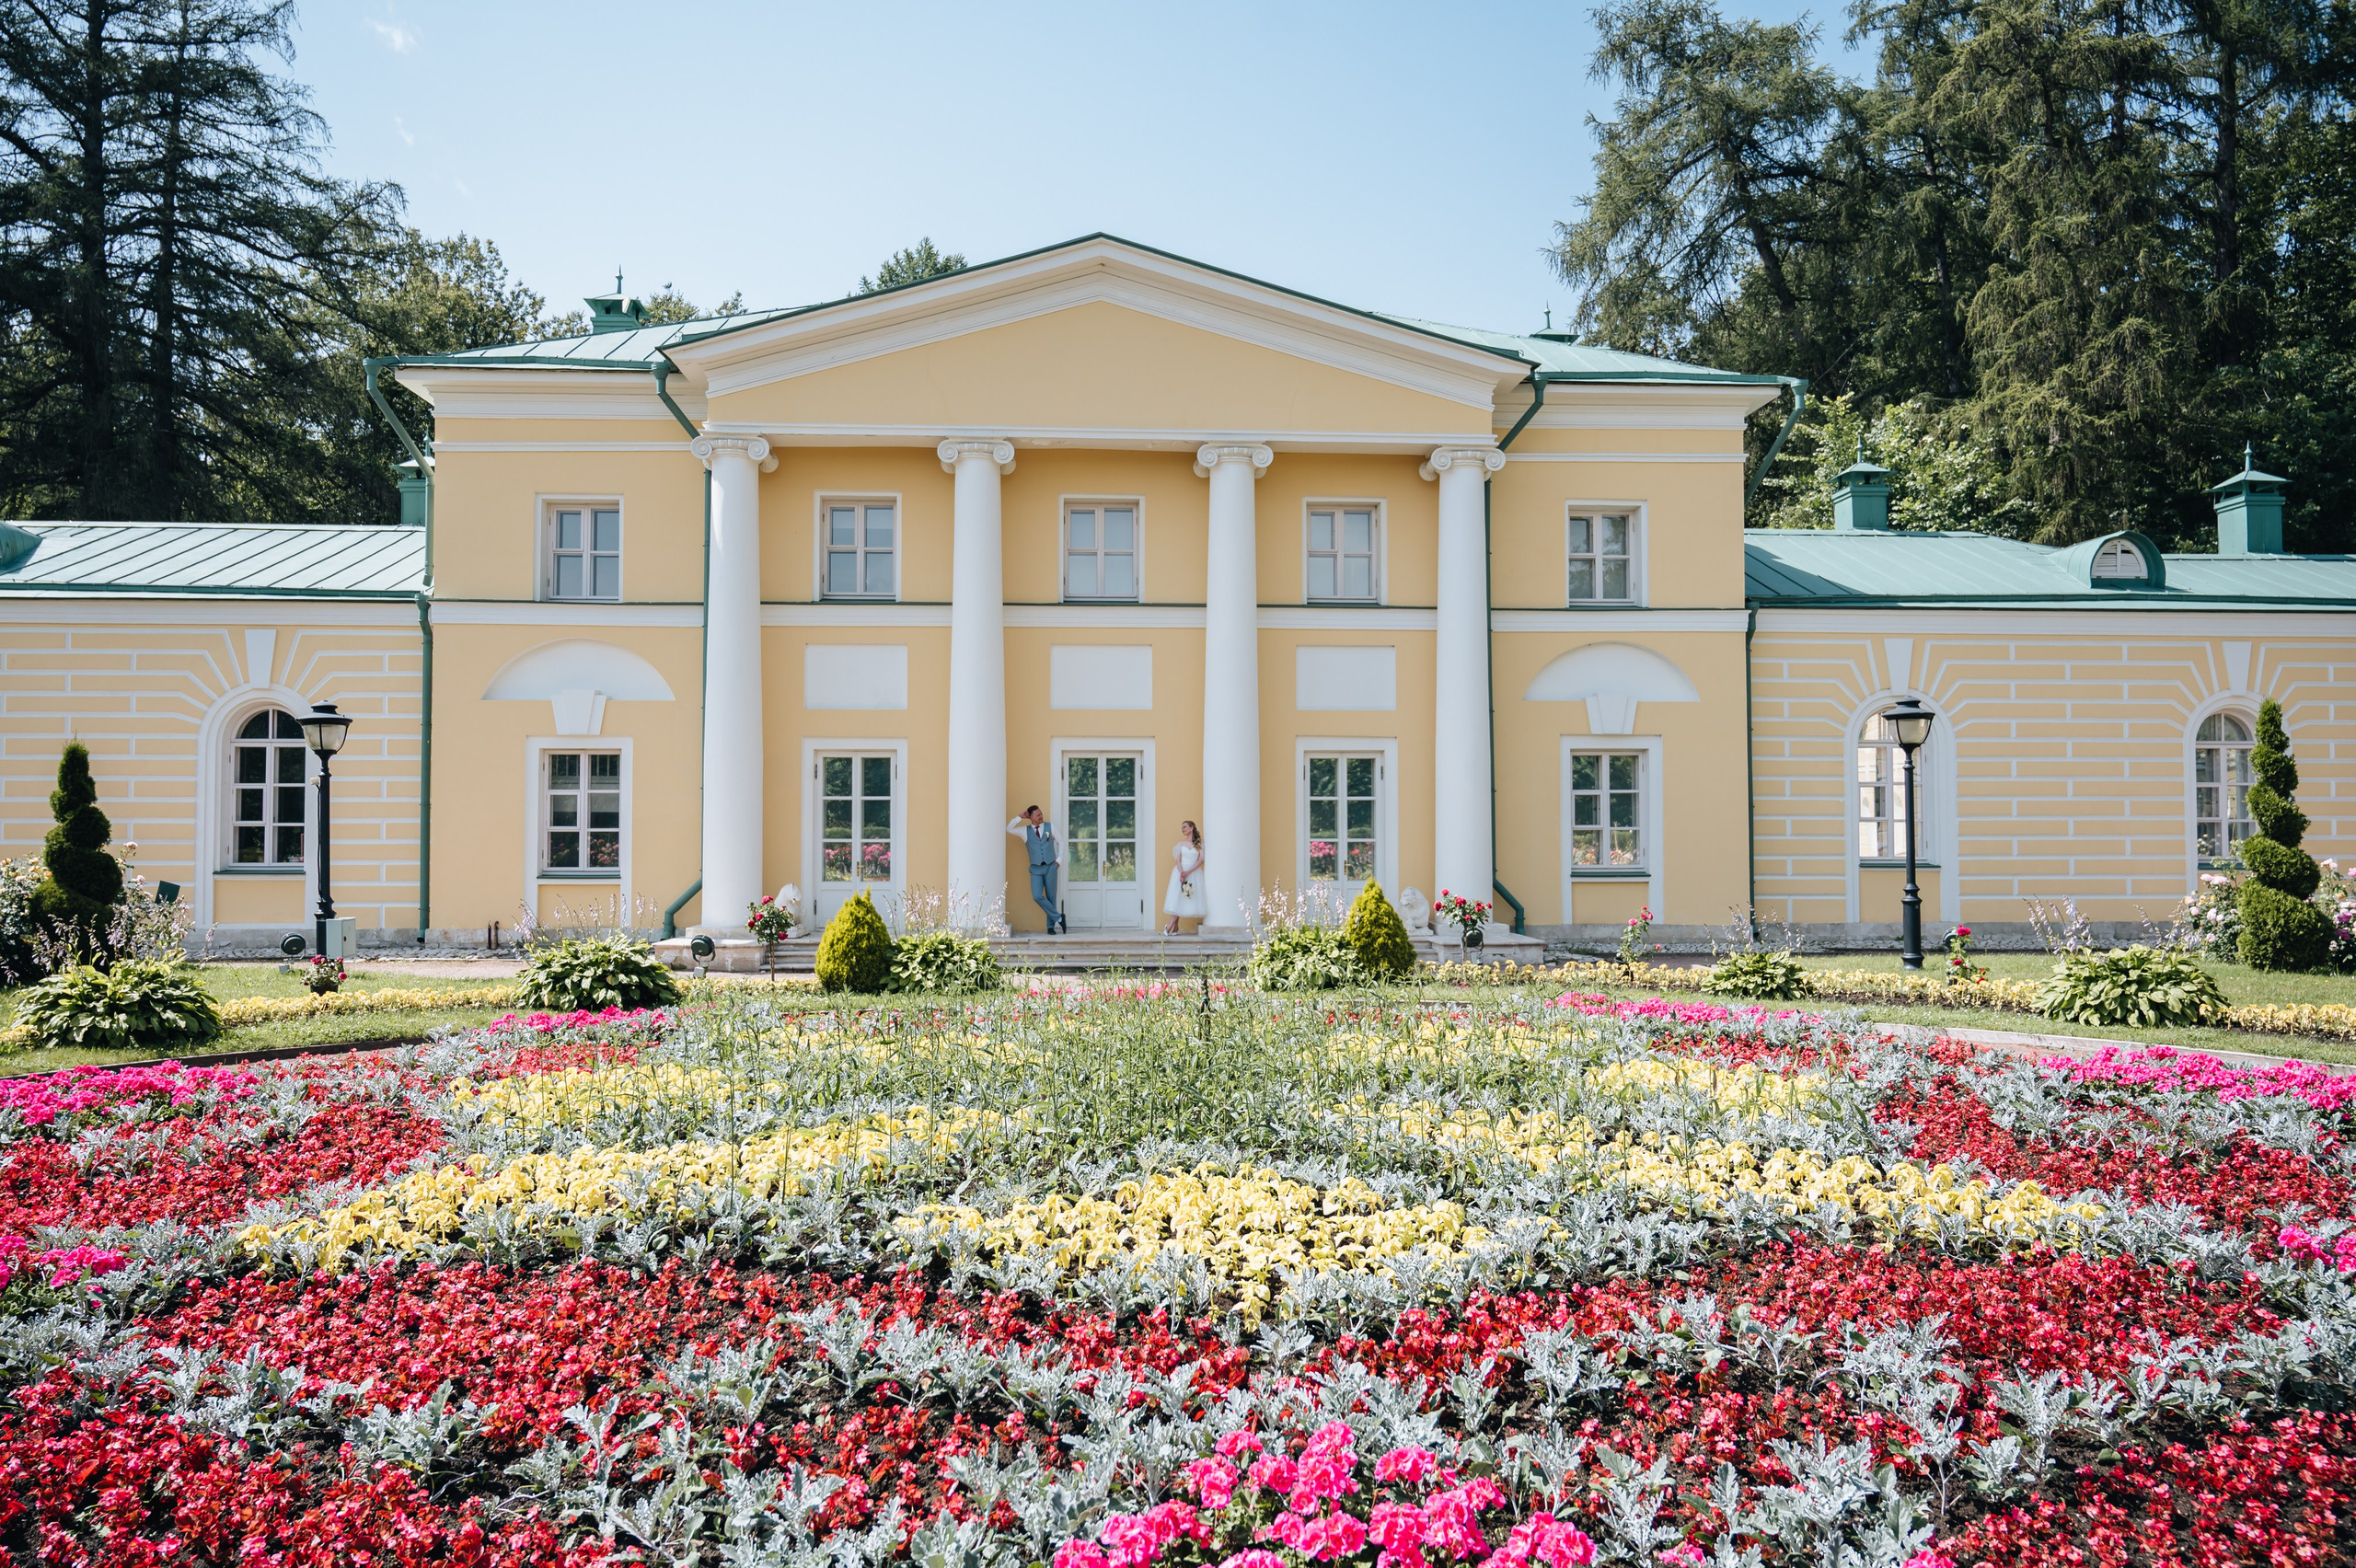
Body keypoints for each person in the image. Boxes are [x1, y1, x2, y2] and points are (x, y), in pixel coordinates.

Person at [1007, 805, 1065, 933]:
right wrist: (1019, 817)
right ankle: (1059, 918)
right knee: (1037, 896)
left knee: (1051, 897)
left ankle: (1050, 927)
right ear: (1031, 817)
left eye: (1041, 813)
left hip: (1051, 866)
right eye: (1038, 815)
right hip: (1035, 869)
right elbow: (1009, 829)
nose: (1041, 816)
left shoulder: (1051, 827)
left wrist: (1058, 861)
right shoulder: (1024, 831)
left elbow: (1061, 842)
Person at [1162, 820, 1207, 934]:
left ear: (1192, 828)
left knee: (1184, 898)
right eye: (1182, 828)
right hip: (1179, 872)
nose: (1183, 829)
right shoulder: (1181, 844)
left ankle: (1172, 925)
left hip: (1193, 873)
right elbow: (1178, 860)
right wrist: (1182, 872)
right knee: (1178, 897)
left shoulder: (1199, 844)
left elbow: (1201, 860)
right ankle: (1173, 925)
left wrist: (1188, 872)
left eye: (1185, 827)